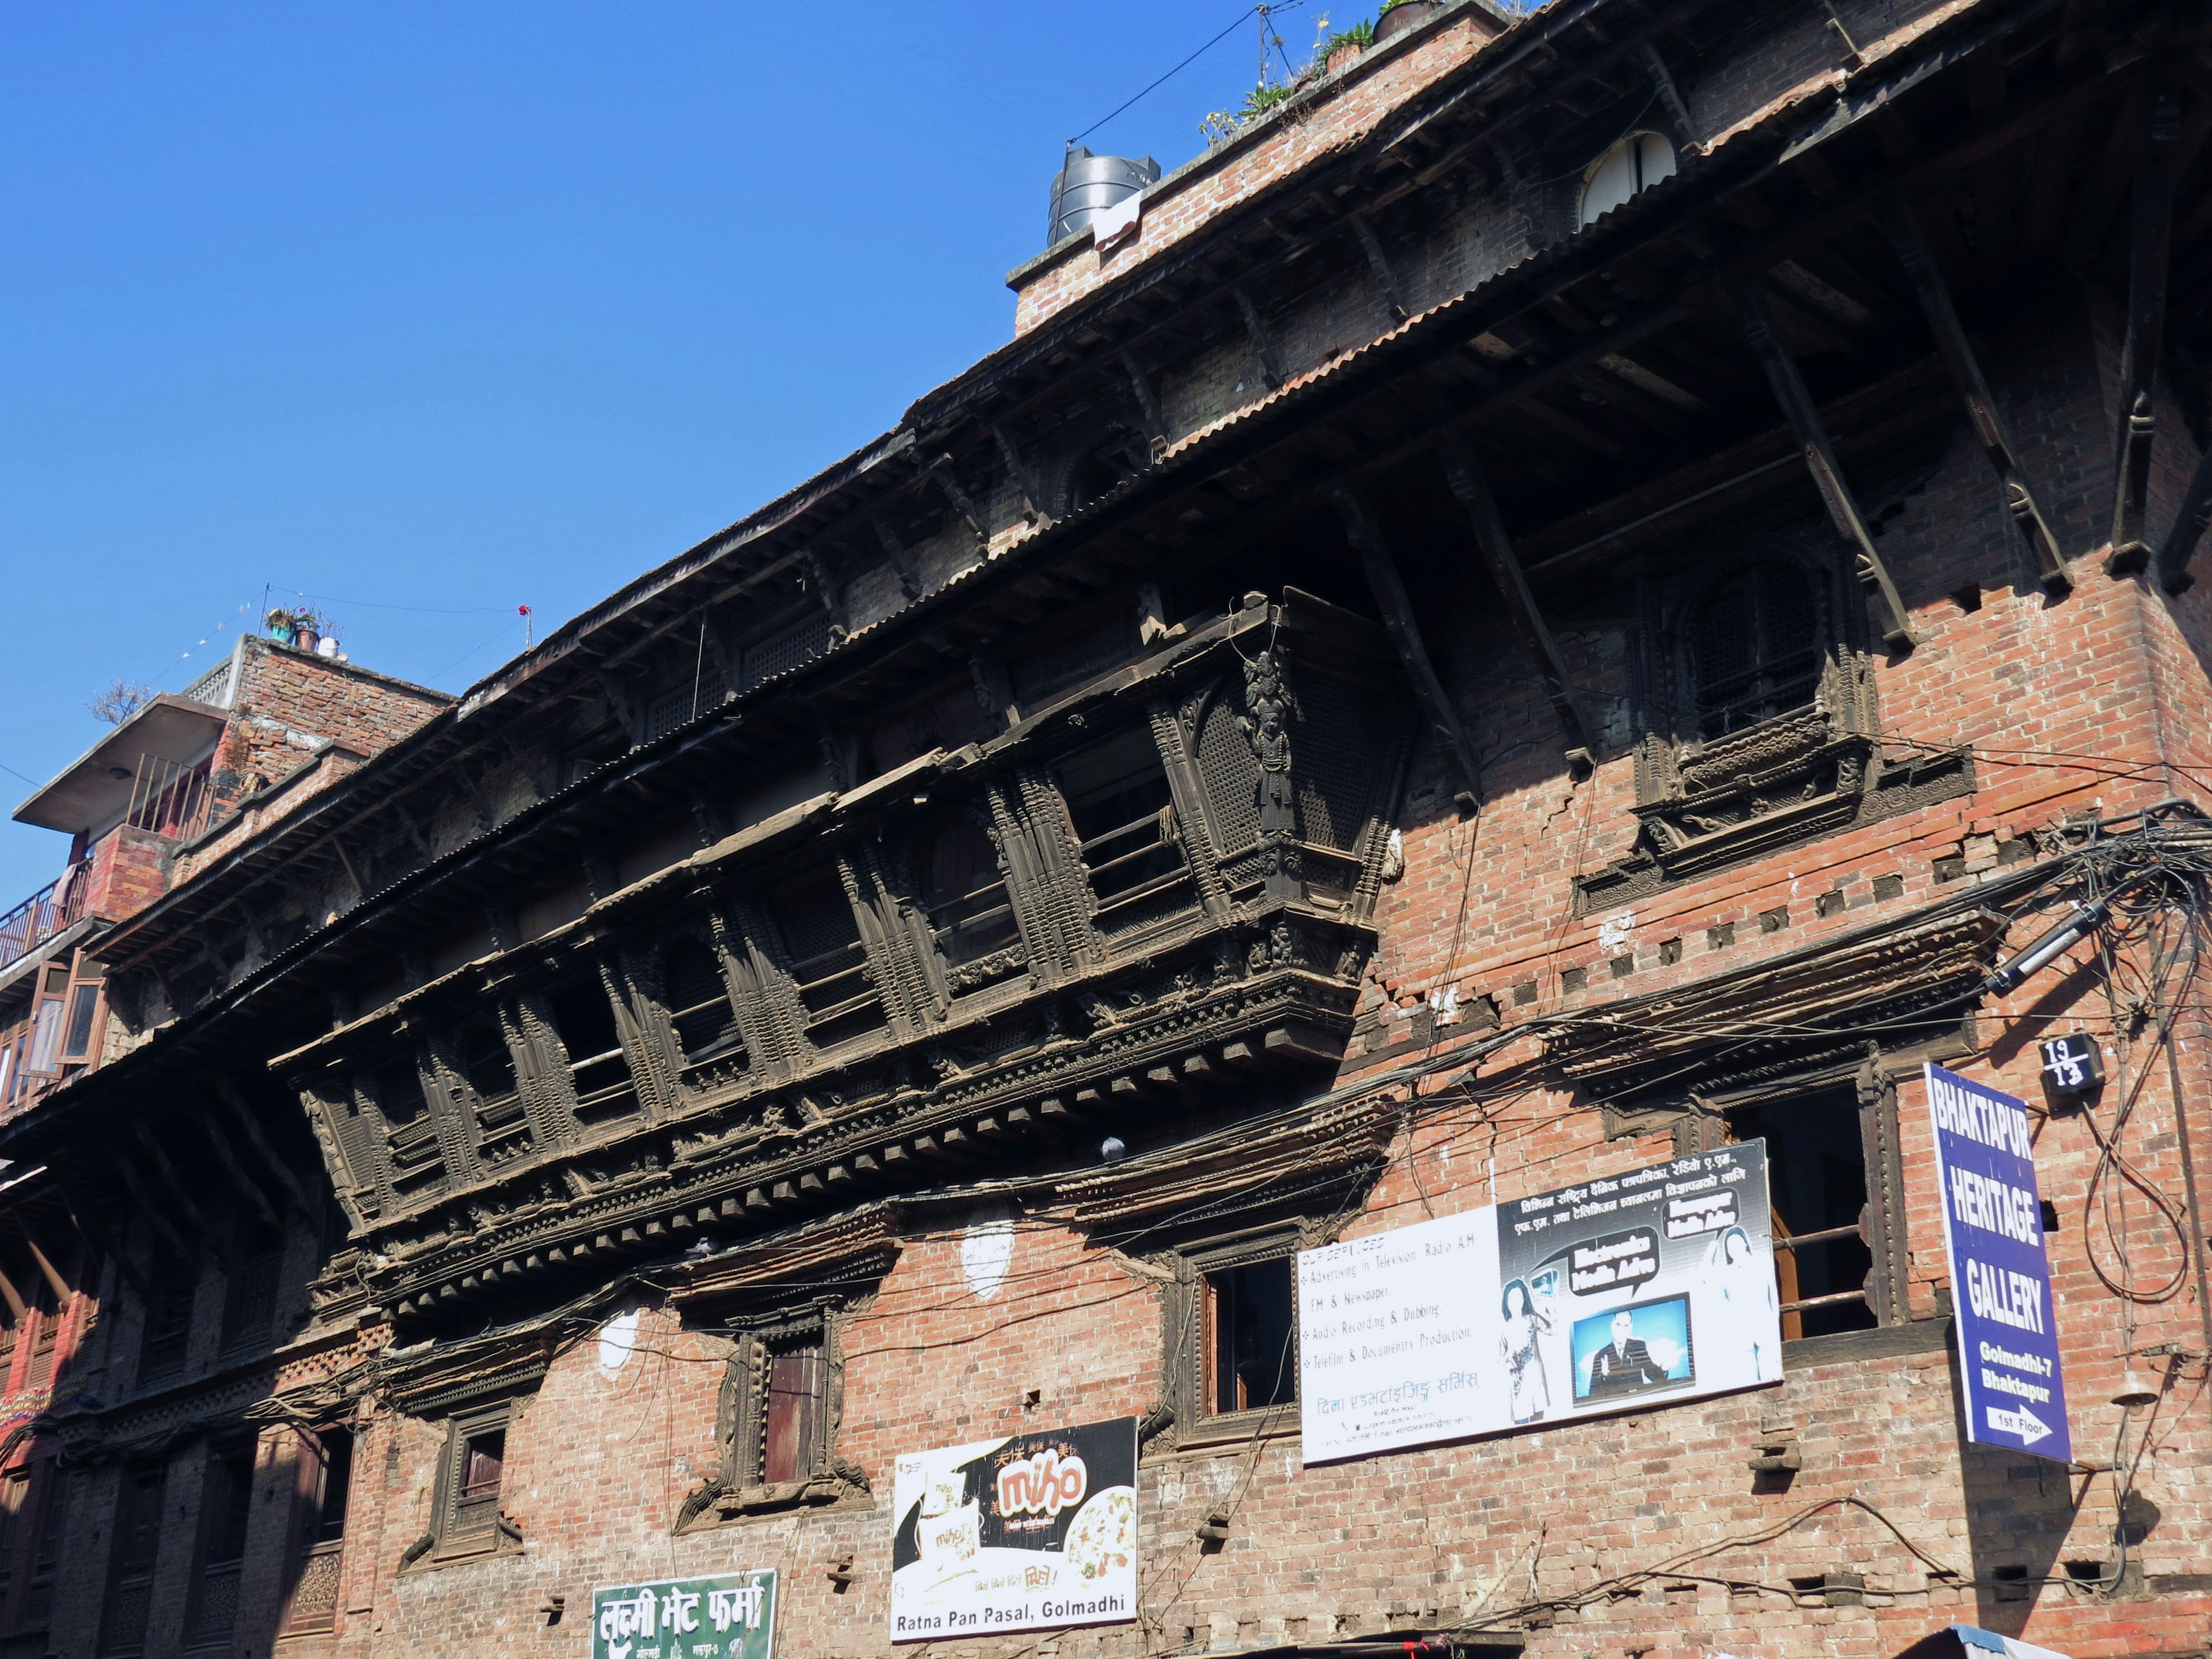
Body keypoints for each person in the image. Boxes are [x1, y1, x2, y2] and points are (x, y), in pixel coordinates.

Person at [1498, 1279, 1552, 1423]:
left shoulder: (1532, 1319)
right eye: (1512, 1298)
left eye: (1519, 1297)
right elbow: (1499, 1359)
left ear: (1524, 1299)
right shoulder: (1503, 1328)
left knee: (1539, 1420)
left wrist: (1551, 1311)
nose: (1515, 1302)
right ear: (1506, 1301)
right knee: (1521, 1420)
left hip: (1536, 1377)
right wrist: (1509, 1358)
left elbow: (1551, 1329)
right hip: (1518, 1381)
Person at [1585, 1309, 1672, 1398]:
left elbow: (1654, 1375)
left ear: (1631, 1327)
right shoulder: (1601, 1355)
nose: (1621, 1330)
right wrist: (1603, 1375)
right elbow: (1593, 1393)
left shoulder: (1638, 1347)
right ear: (1612, 1324)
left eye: (1626, 1326)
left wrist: (1664, 1370)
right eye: (1618, 1325)